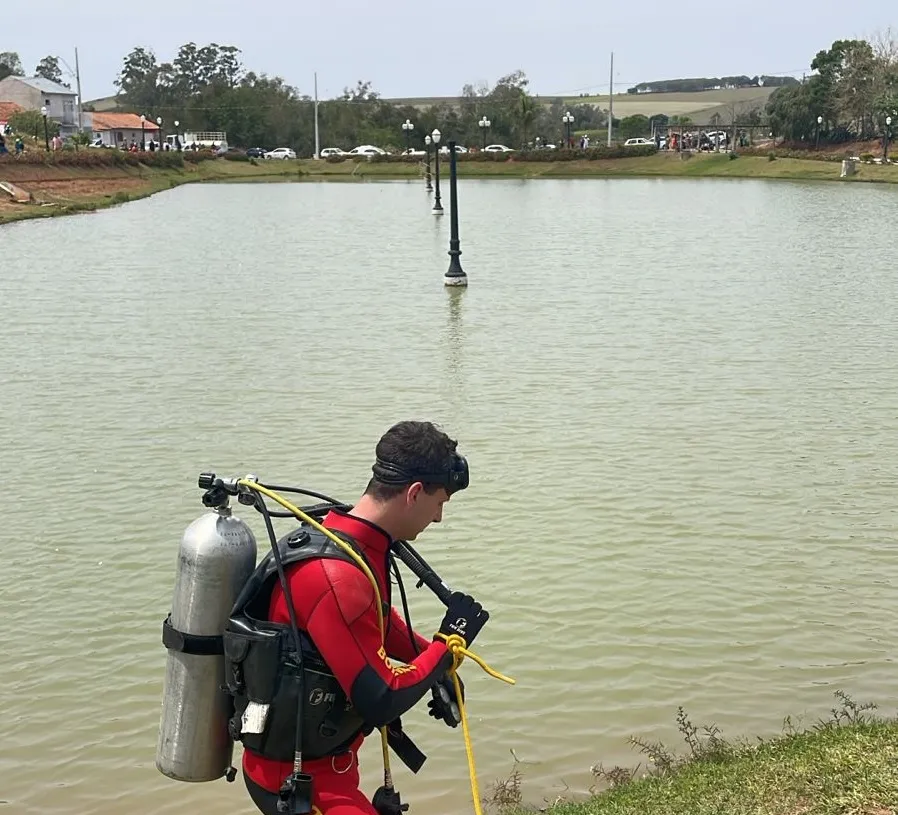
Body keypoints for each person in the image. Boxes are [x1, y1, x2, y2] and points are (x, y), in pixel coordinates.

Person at [238, 420, 490, 815]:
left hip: (330, 769)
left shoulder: (348, 539)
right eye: (440, 503)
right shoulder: (336, 576)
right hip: (299, 784)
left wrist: (437, 666)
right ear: (414, 493)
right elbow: (382, 698)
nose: (439, 517)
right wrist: (444, 647)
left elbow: (378, 625)